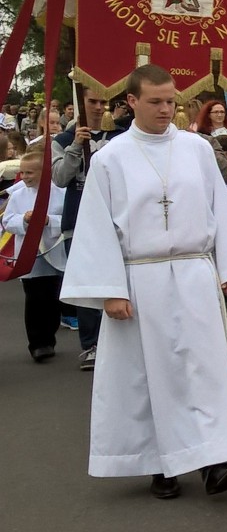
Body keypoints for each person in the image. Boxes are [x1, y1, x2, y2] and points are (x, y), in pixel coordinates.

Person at [60, 64, 227, 499]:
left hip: (193, 271)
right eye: (155, 102)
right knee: (148, 373)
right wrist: (110, 290)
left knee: (202, 368)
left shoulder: (197, 149)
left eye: (171, 101)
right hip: (140, 277)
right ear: (131, 101)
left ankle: (214, 461)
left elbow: (220, 207)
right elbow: (96, 227)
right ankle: (159, 464)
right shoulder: (111, 158)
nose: (166, 109)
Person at [53, 89, 118, 370]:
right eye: (92, 101)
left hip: (115, 218)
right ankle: (91, 344)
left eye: (103, 101)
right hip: (78, 219)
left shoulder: (119, 136)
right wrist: (76, 147)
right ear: (80, 103)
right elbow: (60, 178)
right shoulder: (63, 139)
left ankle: (119, 343)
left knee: (119, 281)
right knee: (88, 282)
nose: (98, 107)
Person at [4, 148, 67, 362]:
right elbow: (7, 221)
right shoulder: (18, 195)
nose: (24, 177)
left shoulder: (60, 192)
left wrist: (49, 220)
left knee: (52, 299)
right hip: (29, 255)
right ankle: (38, 344)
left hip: (53, 251)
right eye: (22, 172)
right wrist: (23, 220)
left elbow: (68, 220)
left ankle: (49, 337)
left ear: (44, 172)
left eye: (30, 172)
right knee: (34, 299)